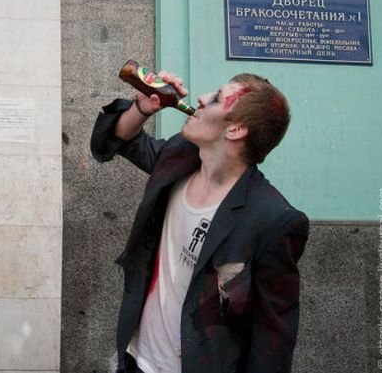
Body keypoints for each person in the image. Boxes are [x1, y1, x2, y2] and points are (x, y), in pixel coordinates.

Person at [91, 72, 309, 373]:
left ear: (235, 130)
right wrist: (141, 108)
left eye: (217, 98)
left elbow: (272, 340)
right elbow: (117, 140)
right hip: (135, 358)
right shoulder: (181, 157)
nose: (201, 98)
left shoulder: (273, 219)